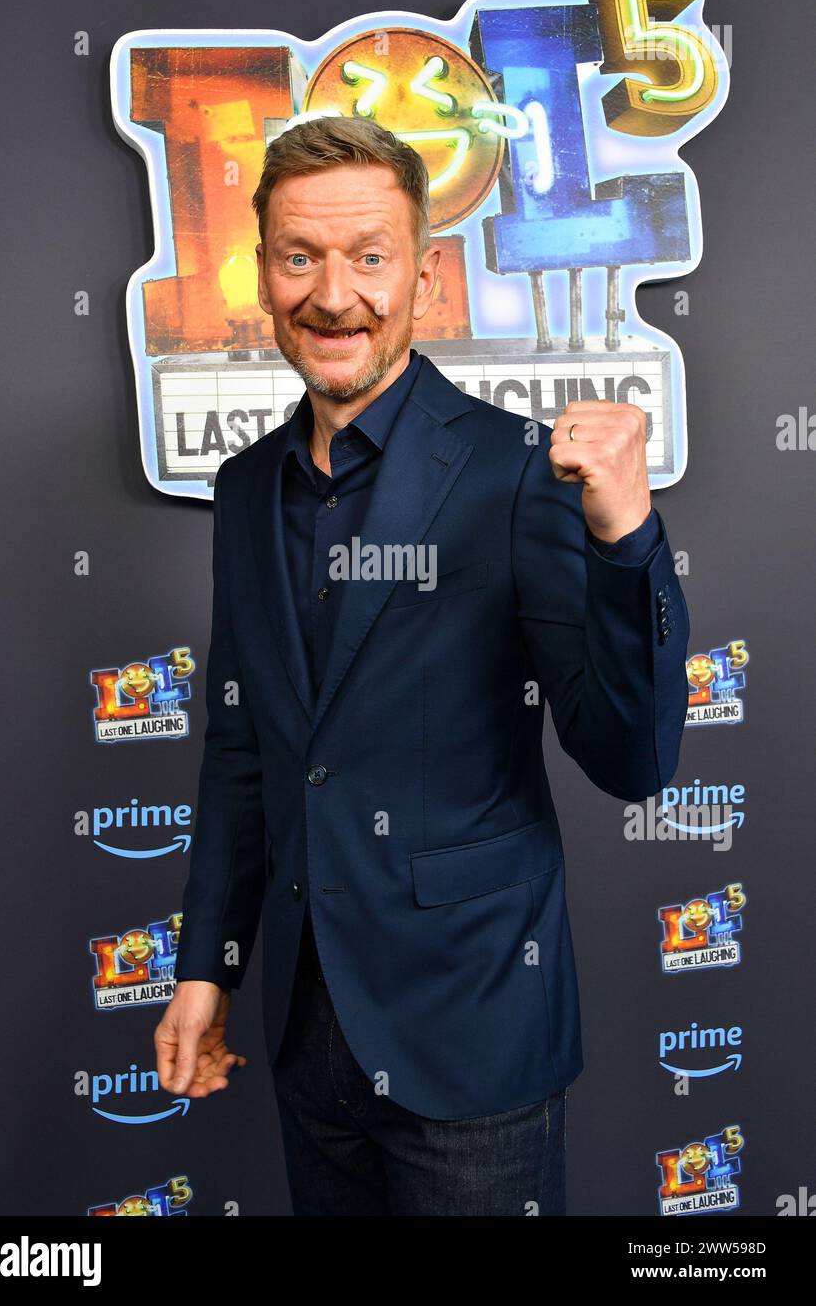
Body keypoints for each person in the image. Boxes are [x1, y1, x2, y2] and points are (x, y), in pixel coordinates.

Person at [155, 116, 689, 1216]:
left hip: (473, 1032)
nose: (332, 295)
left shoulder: (515, 473)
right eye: (300, 256)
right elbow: (242, 748)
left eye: (368, 256)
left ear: (424, 273)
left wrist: (627, 535)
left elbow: (631, 757)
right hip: (309, 1033)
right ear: (263, 271)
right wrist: (207, 965)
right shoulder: (248, 488)